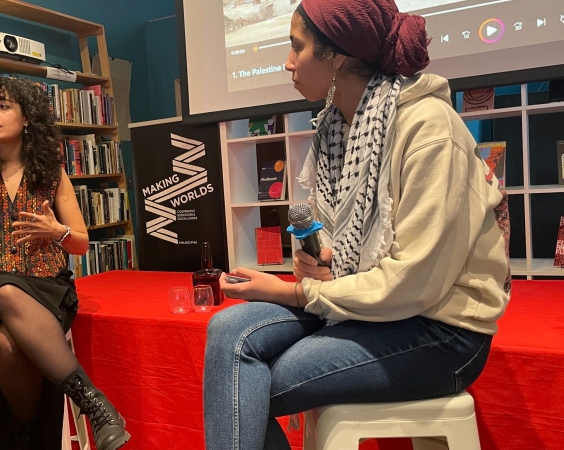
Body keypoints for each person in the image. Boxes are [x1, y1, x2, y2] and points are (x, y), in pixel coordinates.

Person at [203, 0, 511, 449]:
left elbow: (414, 283)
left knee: (246, 383)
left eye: (296, 47)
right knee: (227, 331)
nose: (287, 63)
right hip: (367, 307)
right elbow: (332, 244)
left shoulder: (429, 129)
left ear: (339, 57)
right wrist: (315, 263)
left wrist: (295, 291)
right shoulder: (336, 128)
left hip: (442, 330)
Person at [0, 76, 130, 450]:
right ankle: (95, 405)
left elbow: (81, 244)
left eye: (3, 106)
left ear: (26, 119)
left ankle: (23, 439)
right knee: (5, 289)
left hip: (43, 290)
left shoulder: (51, 173)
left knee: (10, 344)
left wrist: (57, 232)